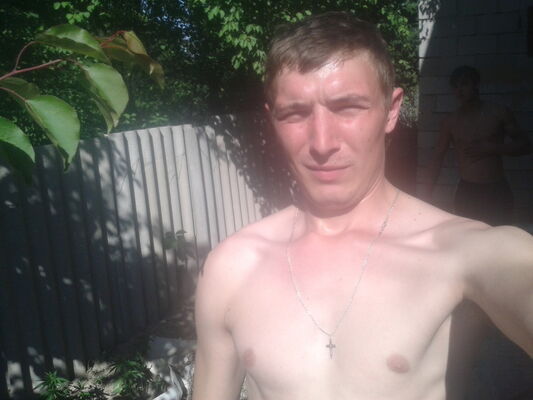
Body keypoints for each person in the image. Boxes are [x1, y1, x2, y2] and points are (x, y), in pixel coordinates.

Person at [192, 12, 533, 400]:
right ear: (273, 121)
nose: (322, 142)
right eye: (295, 113)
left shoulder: (466, 251)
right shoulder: (231, 267)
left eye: (348, 107)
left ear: (391, 110)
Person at [424, 65, 531, 225]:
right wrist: (425, 196)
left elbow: (525, 145)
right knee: (468, 237)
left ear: (476, 85)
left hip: (496, 190)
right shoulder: (450, 122)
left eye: (464, 84)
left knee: (498, 235)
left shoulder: (498, 113)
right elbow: (437, 158)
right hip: (468, 191)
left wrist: (493, 148)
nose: (459, 90)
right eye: (455, 86)